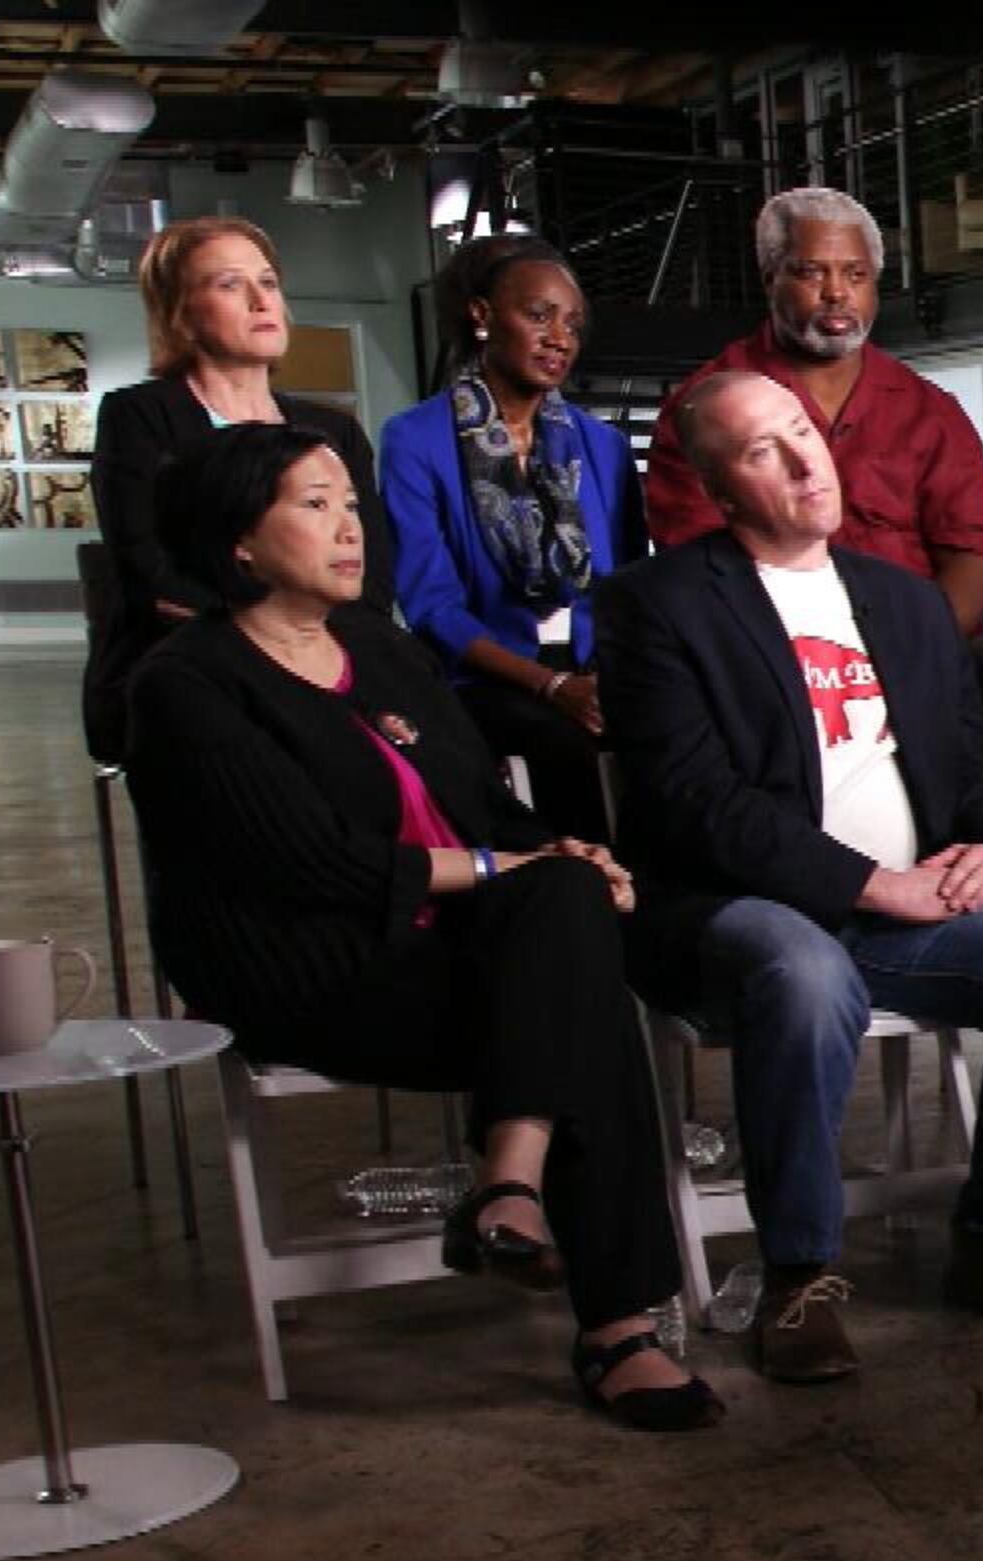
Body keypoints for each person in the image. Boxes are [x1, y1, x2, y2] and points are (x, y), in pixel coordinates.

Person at [119, 425, 712, 1431]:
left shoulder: (381, 649)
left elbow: (487, 809)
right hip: (313, 968)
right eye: (313, 505)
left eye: (351, 503)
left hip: (462, 946)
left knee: (573, 932)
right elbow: (310, 863)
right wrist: (514, 871)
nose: (349, 526)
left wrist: (569, 853)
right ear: (239, 543)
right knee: (583, 1000)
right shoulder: (185, 684)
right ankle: (614, 1326)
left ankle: (511, 1194)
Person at [600, 371, 983, 1383]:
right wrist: (875, 887)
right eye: (760, 451)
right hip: (742, 910)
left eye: (802, 432)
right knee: (805, 972)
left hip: (912, 912)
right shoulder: (655, 607)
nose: (800, 461)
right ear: (719, 486)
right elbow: (695, 803)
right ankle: (798, 1277)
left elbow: (964, 767)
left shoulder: (906, 602)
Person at [88, 215, 396, 767]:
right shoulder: (138, 416)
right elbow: (150, 571)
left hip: (327, 655)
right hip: (188, 665)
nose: (260, 301)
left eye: (269, 282)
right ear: (179, 313)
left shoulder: (335, 430)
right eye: (230, 284)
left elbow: (369, 574)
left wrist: (316, 646)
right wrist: (279, 638)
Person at [643, 187, 983, 636]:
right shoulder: (706, 407)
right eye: (810, 273)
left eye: (855, 275)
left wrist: (920, 662)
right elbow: (695, 560)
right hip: (766, 662)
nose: (836, 293)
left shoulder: (930, 411)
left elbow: (974, 551)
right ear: (769, 279)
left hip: (917, 656)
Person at [381, 234, 648, 845]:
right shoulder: (414, 439)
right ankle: (588, 901)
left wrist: (606, 679)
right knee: (563, 749)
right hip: (488, 676)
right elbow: (431, 607)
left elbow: (631, 587)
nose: (560, 337)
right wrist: (554, 687)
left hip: (596, 667)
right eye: (538, 316)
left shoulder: (601, 446)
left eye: (573, 324)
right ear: (481, 316)